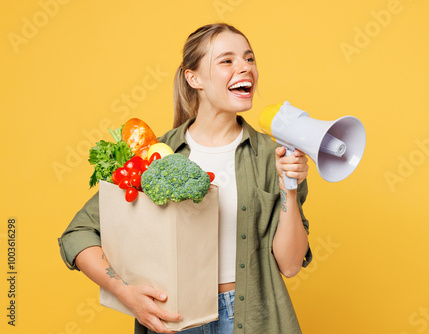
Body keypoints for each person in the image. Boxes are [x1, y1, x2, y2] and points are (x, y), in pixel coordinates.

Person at [58, 23, 312, 334]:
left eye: (249, 59)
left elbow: (290, 264)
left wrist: (289, 188)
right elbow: (78, 234)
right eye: (227, 61)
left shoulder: (272, 157)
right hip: (175, 318)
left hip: (251, 318)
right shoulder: (156, 155)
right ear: (194, 78)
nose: (244, 68)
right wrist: (125, 293)